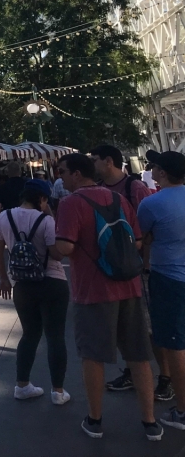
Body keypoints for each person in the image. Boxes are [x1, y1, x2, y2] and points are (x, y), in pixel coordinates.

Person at [55, 152, 161, 441]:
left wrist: (50, 249)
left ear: (78, 174)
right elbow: (138, 241)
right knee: (139, 355)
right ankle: (150, 421)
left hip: (93, 290)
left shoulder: (70, 203)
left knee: (93, 356)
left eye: (63, 171)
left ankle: (95, 419)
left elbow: (64, 247)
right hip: (129, 285)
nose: (60, 177)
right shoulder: (119, 199)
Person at [89, 145, 170, 398]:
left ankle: (166, 377)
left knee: (150, 326)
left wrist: (145, 264)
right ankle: (133, 371)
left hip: (139, 266)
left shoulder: (134, 188)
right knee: (129, 326)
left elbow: (148, 230)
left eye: (95, 160)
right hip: (115, 268)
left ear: (108, 161)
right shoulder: (101, 189)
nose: (92, 165)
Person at [0, 180, 70, 404]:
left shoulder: (4, 218)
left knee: (29, 334)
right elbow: (57, 255)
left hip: (22, 285)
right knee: (55, 336)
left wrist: (3, 279)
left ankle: (22, 385)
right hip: (52, 281)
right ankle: (58, 391)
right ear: (42, 198)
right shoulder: (46, 221)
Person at [136, 150, 185, 431]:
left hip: (168, 277)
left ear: (163, 173)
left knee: (175, 344)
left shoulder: (151, 204)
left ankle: (182, 409)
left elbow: (143, 238)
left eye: (154, 166)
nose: (150, 169)